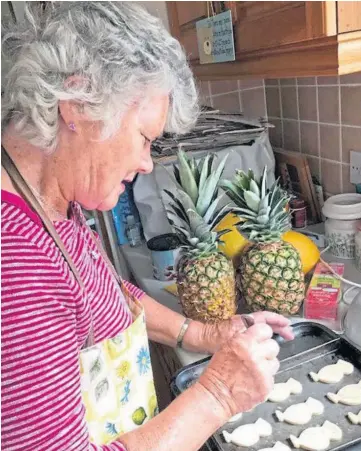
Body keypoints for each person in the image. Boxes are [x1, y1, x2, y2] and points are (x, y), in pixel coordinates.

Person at [1, 3, 294, 450]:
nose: (145, 162)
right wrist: (217, 394)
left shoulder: (46, 200)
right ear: (77, 104)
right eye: (144, 137)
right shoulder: (17, 261)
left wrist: (200, 333)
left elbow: (107, 292)